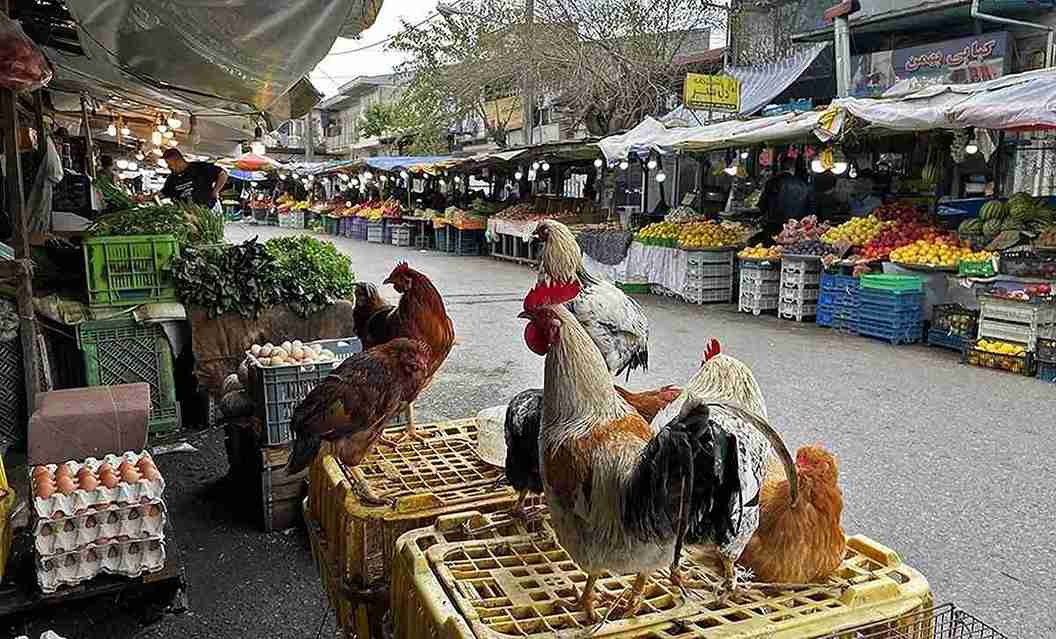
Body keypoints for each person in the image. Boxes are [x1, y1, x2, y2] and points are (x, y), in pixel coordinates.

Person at [759, 156, 815, 239]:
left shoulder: (772, 182)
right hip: (796, 228)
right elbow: (811, 207)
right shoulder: (803, 184)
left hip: (773, 226)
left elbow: (762, 204)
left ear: (780, 166)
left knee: (772, 250)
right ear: (793, 168)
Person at [160, 148, 228, 209]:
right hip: (187, 215)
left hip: (208, 211)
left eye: (169, 164)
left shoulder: (199, 168)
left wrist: (215, 191)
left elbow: (223, 174)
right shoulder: (172, 179)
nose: (168, 166)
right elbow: (165, 193)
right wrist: (152, 196)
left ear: (178, 160)